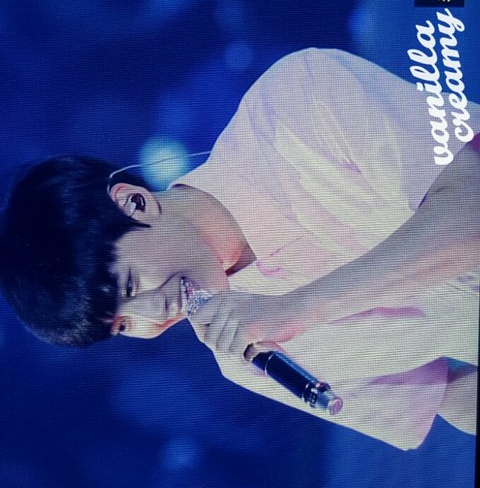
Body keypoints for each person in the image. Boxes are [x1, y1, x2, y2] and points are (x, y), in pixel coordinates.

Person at [1, 48, 479, 450]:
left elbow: (470, 213)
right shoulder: (244, 355)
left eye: (130, 285)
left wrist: (294, 310)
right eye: (123, 325)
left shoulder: (296, 103)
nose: (154, 315)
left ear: (134, 203)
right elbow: (451, 396)